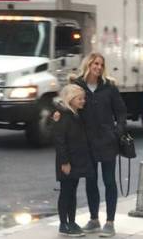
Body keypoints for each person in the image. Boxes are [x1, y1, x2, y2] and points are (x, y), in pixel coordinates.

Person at [71, 52, 127, 237]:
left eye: (101, 65)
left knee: (109, 181)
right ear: (88, 64)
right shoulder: (78, 85)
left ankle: (110, 222)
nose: (98, 67)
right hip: (86, 141)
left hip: (107, 141)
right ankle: (94, 219)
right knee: (91, 181)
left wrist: (118, 131)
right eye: (95, 64)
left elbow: (120, 111)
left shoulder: (109, 87)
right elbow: (68, 105)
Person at [53, 83, 94, 237]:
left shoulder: (76, 114)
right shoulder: (63, 116)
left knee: (72, 192)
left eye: (83, 98)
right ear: (71, 99)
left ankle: (72, 221)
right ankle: (63, 224)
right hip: (67, 162)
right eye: (80, 98)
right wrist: (64, 162)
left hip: (76, 160)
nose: (83, 101)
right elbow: (60, 141)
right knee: (66, 192)